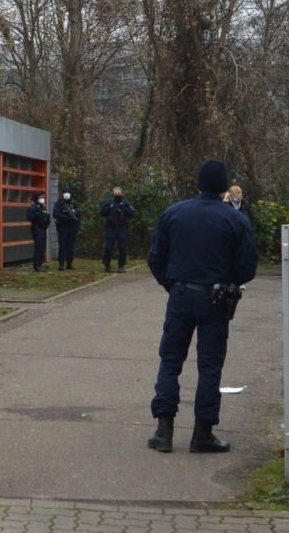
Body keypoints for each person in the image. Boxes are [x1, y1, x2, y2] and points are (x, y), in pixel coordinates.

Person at [144, 160, 258, 454]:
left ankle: (164, 430)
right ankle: (202, 433)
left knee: (170, 361)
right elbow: (247, 267)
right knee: (210, 366)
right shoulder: (235, 219)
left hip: (180, 294)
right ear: (224, 187)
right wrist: (228, 280)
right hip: (216, 300)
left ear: (198, 183)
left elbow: (156, 256)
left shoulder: (175, 213)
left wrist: (171, 284)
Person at [100, 186, 137, 272]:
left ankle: (121, 266)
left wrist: (124, 207)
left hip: (122, 227)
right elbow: (102, 213)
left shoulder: (125, 202)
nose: (117, 195)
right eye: (116, 193)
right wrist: (110, 207)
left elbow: (132, 213)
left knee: (122, 247)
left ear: (121, 193)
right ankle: (107, 265)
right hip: (111, 227)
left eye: (119, 193)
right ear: (113, 194)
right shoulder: (109, 202)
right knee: (108, 247)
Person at [54, 190, 81, 270]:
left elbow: (79, 215)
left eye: (68, 193)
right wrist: (67, 217)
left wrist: (77, 226)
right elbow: (56, 214)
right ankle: (61, 264)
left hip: (72, 227)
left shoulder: (73, 203)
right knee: (62, 245)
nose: (67, 195)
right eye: (65, 193)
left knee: (71, 246)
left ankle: (69, 263)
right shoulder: (59, 203)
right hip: (63, 227)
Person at [26, 194, 52, 271]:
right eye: (41, 198)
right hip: (37, 228)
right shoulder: (34, 207)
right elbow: (30, 217)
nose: (43, 199)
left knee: (43, 246)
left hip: (43, 228)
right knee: (39, 247)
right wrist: (39, 213)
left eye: (43, 198)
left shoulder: (43, 207)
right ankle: (37, 265)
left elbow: (46, 217)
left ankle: (40, 264)